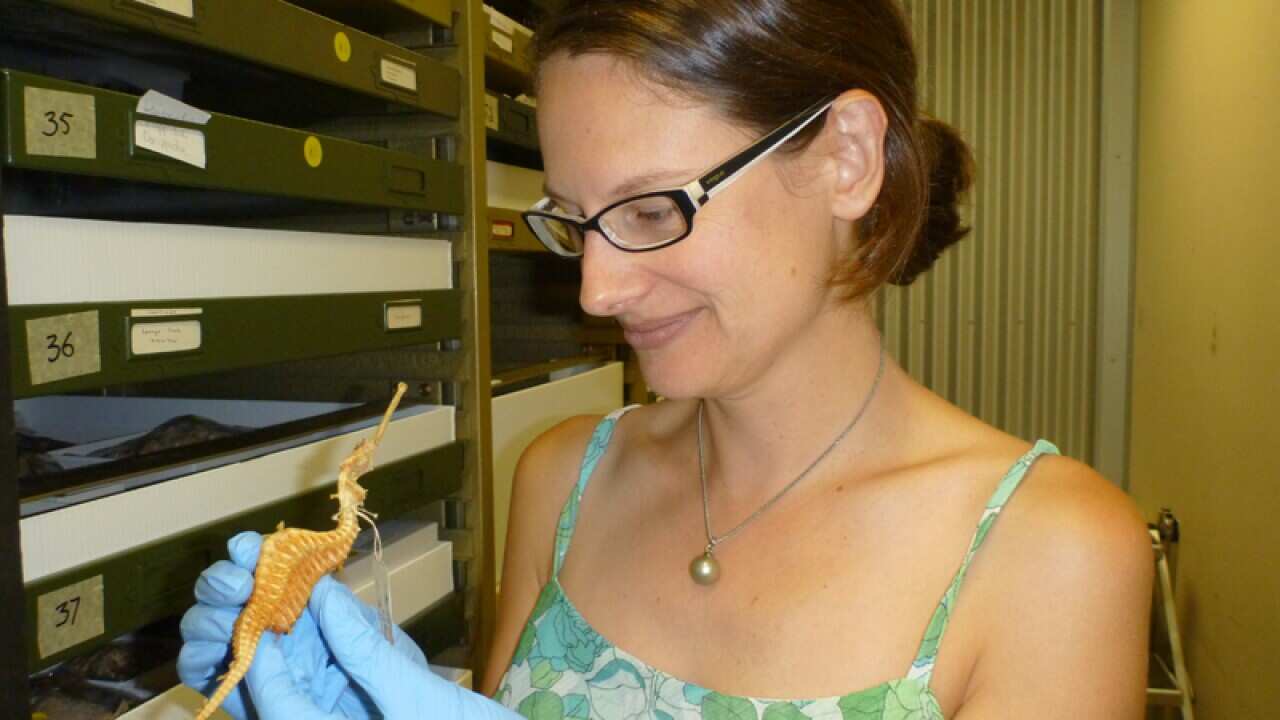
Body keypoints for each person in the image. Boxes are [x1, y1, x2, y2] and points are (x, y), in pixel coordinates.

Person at [178, 1, 1155, 718]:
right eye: (574, 221)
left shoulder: (1045, 556)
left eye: (653, 210)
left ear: (845, 157)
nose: (596, 291)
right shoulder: (563, 479)